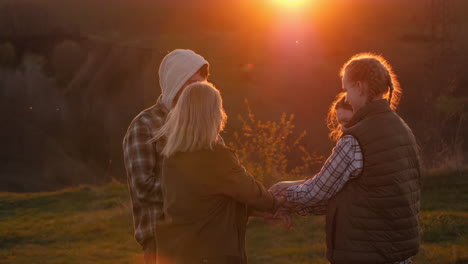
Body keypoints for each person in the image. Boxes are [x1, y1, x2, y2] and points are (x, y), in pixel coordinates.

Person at [271, 52, 421, 264]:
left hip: (366, 251)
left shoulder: (356, 138)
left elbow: (319, 191)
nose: (347, 98)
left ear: (359, 87)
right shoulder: (402, 129)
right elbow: (356, 194)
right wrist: (293, 199)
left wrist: (281, 197)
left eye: (347, 89)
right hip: (397, 253)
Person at [151, 82, 282, 264]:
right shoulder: (215, 157)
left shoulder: (170, 157)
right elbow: (249, 190)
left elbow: (202, 204)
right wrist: (276, 204)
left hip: (176, 253)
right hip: (209, 254)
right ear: (213, 115)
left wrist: (254, 211)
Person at [122, 49, 210, 264]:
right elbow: (143, 187)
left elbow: (225, 174)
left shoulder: (204, 126)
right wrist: (196, 192)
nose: (196, 91)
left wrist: (264, 204)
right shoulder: (144, 125)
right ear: (174, 83)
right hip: (163, 240)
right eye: (190, 83)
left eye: (200, 84)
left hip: (203, 238)